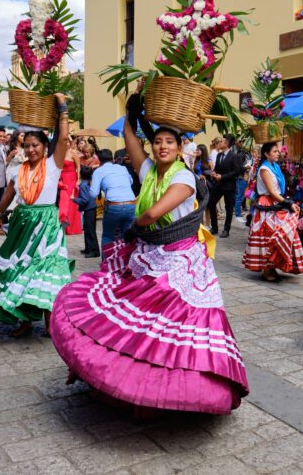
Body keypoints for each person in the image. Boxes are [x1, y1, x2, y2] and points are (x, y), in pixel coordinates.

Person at [50, 90, 249, 415]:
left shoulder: (183, 176)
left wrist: (135, 226)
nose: (162, 146)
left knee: (165, 330)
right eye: (157, 142)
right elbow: (130, 138)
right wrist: (132, 112)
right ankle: (130, 388)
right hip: (152, 257)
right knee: (142, 326)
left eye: (169, 141)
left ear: (181, 145)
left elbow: (155, 212)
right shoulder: (150, 172)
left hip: (181, 264)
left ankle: (159, 394)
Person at [0, 96, 73, 337]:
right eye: (27, 145)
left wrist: (62, 108)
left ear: (44, 147)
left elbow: (63, 137)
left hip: (46, 225)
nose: (30, 149)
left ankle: (51, 325)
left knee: (44, 271)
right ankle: (24, 322)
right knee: (19, 270)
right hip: (21, 225)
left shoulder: (53, 164)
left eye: (35, 145)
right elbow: (8, 194)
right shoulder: (18, 170)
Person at [243, 142, 303, 281]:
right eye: (274, 151)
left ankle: (273, 266)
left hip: (276, 202)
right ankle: (267, 269)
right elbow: (271, 192)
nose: (278, 153)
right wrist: (288, 203)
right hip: (268, 204)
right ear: (266, 154)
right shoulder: (265, 169)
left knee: (280, 233)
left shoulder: (275, 167)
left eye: (278, 151)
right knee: (269, 235)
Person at [90, 148, 136, 257]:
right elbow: (131, 182)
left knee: (108, 236)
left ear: (99, 161)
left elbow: (93, 193)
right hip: (131, 203)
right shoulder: (122, 168)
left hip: (114, 205)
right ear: (112, 159)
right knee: (127, 236)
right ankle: (126, 264)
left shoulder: (98, 171)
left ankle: (106, 265)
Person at [207, 134, 245, 238]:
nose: (219, 143)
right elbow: (217, 168)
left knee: (229, 208)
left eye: (222, 141)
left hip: (229, 186)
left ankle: (226, 230)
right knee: (211, 203)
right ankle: (214, 227)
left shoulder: (234, 156)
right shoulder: (219, 155)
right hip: (218, 186)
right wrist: (214, 173)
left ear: (227, 144)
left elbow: (237, 171)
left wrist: (222, 177)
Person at [73, 166, 100, 258]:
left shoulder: (84, 185)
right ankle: (88, 248)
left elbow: (84, 200)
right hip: (91, 209)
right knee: (88, 229)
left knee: (90, 230)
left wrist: (74, 199)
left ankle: (94, 251)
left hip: (89, 209)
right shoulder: (89, 183)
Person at [58, 135, 82, 235]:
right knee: (63, 202)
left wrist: (78, 179)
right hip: (62, 178)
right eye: (65, 142)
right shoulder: (59, 152)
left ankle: (71, 227)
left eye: (68, 142)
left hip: (71, 179)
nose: (66, 144)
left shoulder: (73, 152)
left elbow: (78, 166)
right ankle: (63, 224)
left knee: (70, 202)